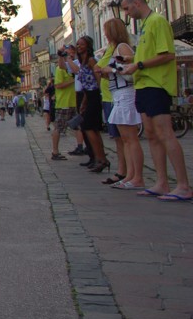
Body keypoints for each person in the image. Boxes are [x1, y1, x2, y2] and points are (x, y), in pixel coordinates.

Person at [120, 0, 192, 200]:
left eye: (126, 8)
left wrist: (138, 64)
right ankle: (161, 182)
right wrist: (132, 62)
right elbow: (148, 54)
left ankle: (183, 185)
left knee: (165, 133)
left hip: (156, 84)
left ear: (137, 3)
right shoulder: (144, 26)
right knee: (151, 134)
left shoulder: (158, 22)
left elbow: (167, 54)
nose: (126, 13)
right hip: (143, 84)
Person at [97, 17, 144, 190]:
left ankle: (136, 176)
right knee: (126, 139)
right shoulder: (113, 48)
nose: (105, 34)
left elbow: (130, 70)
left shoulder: (122, 47)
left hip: (125, 92)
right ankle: (130, 175)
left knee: (130, 139)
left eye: (107, 31)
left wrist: (111, 69)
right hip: (117, 93)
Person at [75, 35, 109, 173]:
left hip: (94, 95)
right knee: (91, 128)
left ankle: (101, 158)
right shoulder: (82, 62)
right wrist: (84, 102)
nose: (78, 47)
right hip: (88, 96)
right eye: (77, 44)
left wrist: (100, 94)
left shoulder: (91, 60)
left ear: (88, 46)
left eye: (81, 44)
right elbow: (85, 85)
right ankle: (99, 159)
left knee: (89, 127)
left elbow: (98, 77)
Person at [50, 49, 75, 161]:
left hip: (73, 102)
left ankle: (81, 147)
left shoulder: (71, 68)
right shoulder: (60, 69)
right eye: (68, 55)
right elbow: (58, 85)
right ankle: (55, 151)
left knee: (79, 126)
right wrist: (72, 81)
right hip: (64, 103)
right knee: (58, 127)